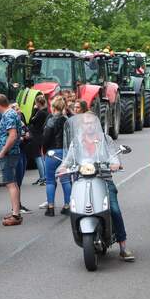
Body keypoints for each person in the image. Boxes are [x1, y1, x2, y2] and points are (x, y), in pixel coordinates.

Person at [59, 112, 135, 261]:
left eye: (92, 123)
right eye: (86, 123)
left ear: (96, 124)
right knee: (75, 207)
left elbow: (114, 155)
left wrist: (115, 164)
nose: (89, 125)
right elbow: (68, 160)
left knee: (114, 209)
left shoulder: (105, 139)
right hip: (82, 181)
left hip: (104, 180)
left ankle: (123, 246)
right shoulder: (76, 142)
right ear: (82, 125)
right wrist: (62, 168)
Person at [0, 94, 24, 226]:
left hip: (8, 154)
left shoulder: (8, 115)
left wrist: (3, 151)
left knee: (10, 183)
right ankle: (16, 212)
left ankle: (16, 215)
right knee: (13, 183)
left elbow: (12, 135)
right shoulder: (10, 114)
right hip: (10, 153)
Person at [41, 96, 70, 216]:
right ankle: (67, 205)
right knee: (66, 180)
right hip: (65, 152)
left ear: (53, 107)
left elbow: (46, 138)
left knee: (50, 181)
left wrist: (44, 149)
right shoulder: (67, 120)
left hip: (52, 153)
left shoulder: (51, 120)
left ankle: (51, 207)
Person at [27, 92, 49, 184]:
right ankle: (44, 176)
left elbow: (31, 121)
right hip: (41, 135)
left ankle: (43, 177)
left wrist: (34, 111)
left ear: (38, 103)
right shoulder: (46, 112)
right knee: (41, 156)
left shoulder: (39, 113)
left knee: (38, 157)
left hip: (36, 136)